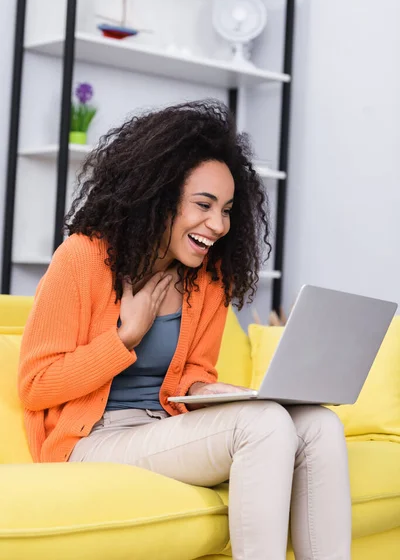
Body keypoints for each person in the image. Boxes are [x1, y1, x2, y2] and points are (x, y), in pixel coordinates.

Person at [18, 100, 351, 560]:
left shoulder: (207, 277)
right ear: (158, 196)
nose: (218, 225)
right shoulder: (81, 258)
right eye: (203, 205)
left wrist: (212, 392)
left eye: (228, 209)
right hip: (92, 439)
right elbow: (35, 387)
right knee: (265, 425)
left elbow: (189, 375)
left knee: (319, 424)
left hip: (170, 429)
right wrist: (123, 340)